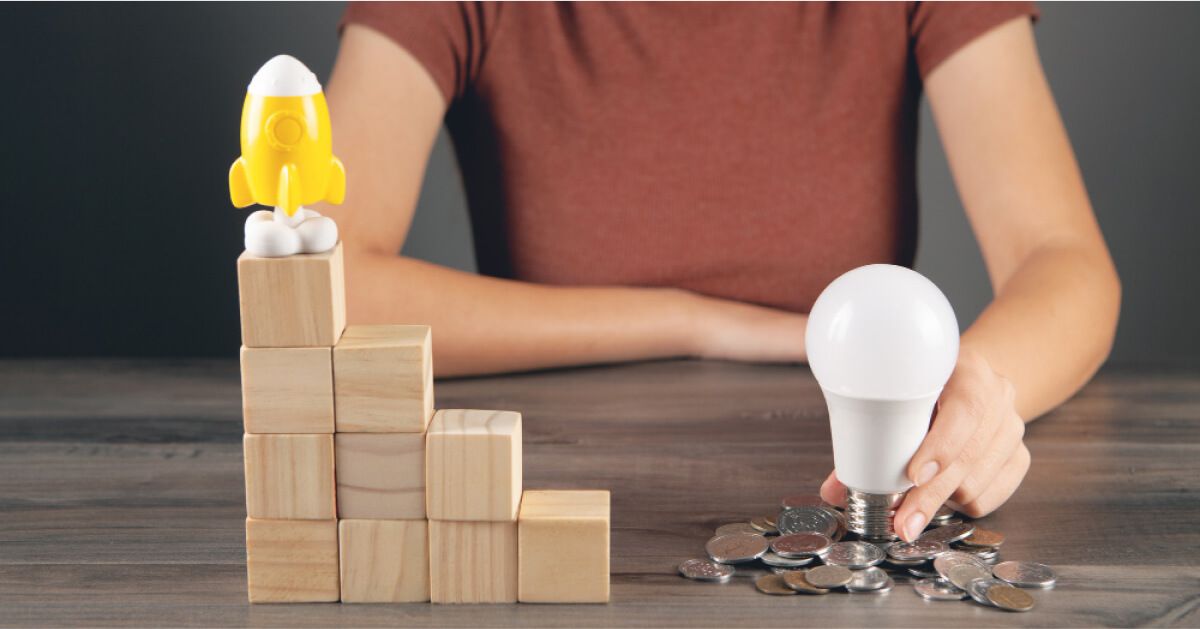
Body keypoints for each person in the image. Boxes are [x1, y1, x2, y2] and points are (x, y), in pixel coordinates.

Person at [316, 2, 1120, 542]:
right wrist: (698, 321)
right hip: (562, 495)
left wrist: (977, 388)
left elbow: (1065, 258)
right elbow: (326, 277)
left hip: (844, 492)